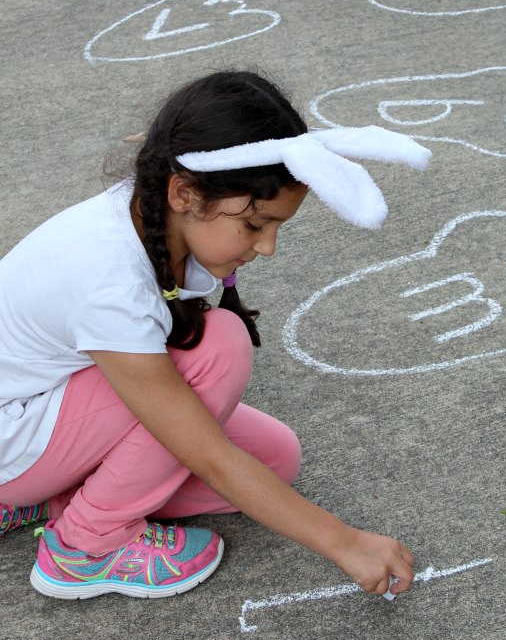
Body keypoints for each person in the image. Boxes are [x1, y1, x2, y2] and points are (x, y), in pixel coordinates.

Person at [0, 70, 429, 601]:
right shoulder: (107, 277)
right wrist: (341, 541)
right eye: (254, 224)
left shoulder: (157, 218)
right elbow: (206, 452)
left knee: (277, 458)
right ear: (184, 192)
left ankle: (55, 495)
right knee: (218, 345)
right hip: (12, 433)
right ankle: (85, 546)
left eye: (277, 227)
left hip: (42, 417)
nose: (267, 246)